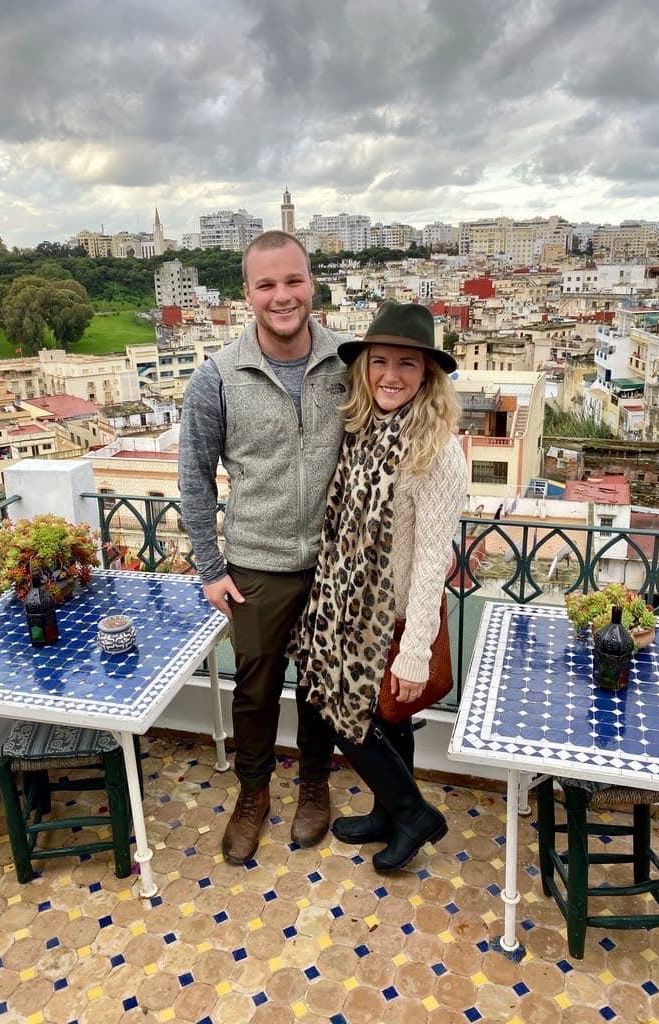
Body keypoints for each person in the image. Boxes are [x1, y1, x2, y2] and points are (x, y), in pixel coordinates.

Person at [178, 230, 348, 865]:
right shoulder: (216, 377)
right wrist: (210, 568)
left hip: (334, 560)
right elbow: (194, 476)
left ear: (312, 283)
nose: (283, 296)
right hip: (255, 563)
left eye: (294, 281)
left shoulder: (346, 362)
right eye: (267, 284)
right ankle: (253, 795)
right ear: (246, 293)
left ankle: (313, 787)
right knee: (254, 690)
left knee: (320, 687)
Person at [289, 300, 467, 873]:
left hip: (392, 614)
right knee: (382, 719)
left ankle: (413, 812)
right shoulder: (363, 427)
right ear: (364, 367)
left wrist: (415, 649)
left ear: (428, 375)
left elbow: (432, 559)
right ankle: (390, 812)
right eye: (380, 361)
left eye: (408, 365)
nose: (391, 376)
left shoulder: (437, 450)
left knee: (358, 716)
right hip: (342, 605)